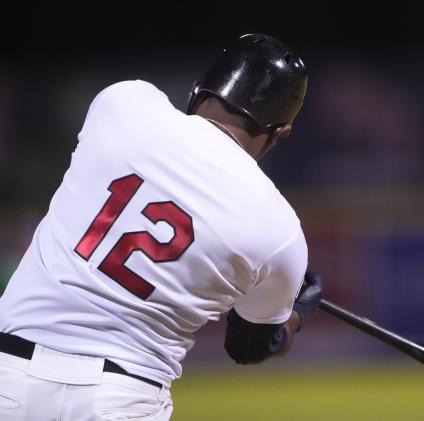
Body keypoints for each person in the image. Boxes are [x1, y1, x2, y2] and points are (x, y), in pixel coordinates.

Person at [0, 33, 323, 420]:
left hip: (8, 371)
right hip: (120, 395)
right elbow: (249, 347)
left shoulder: (124, 102)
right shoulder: (279, 229)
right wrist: (294, 313)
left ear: (200, 88)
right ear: (281, 130)